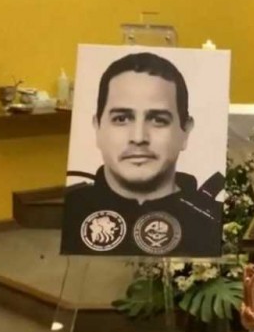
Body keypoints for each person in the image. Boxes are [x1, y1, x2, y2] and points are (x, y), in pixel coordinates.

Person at [60, 52, 224, 257]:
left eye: (158, 120)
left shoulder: (214, 220)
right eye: (121, 119)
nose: (138, 138)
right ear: (97, 127)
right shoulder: (70, 211)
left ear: (185, 131)